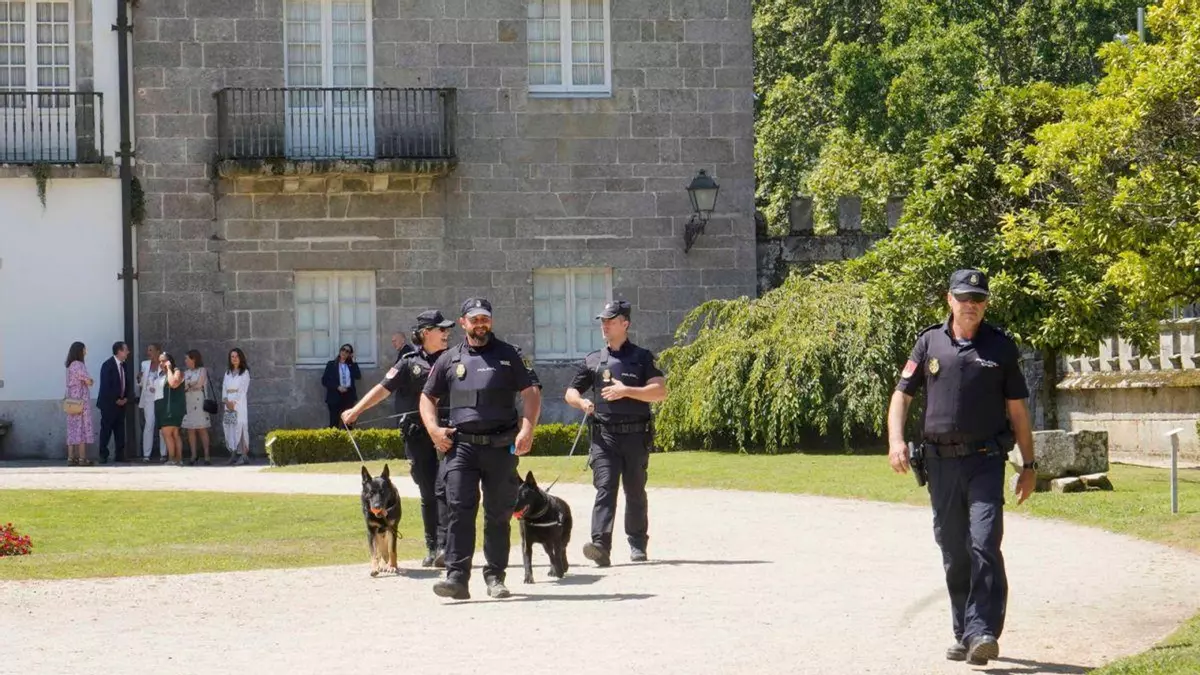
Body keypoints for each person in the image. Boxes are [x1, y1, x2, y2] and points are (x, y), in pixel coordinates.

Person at [887, 268, 1037, 667]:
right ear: (949, 299)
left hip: (985, 461)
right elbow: (902, 395)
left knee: (984, 542)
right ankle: (964, 632)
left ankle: (983, 631)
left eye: (979, 299)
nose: (971, 305)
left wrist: (1029, 465)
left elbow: (1018, 412)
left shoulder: (1001, 347)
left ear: (986, 304)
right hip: (940, 465)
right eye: (964, 298)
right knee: (954, 549)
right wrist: (896, 440)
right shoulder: (929, 342)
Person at [420, 297, 541, 600]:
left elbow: (530, 393)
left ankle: (495, 577)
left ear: (491, 321)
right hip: (461, 448)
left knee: (498, 513)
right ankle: (457, 579)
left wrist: (527, 429)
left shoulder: (509, 355)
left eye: (485, 318)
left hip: (500, 447)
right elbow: (427, 397)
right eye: (474, 319)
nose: (480, 324)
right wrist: (433, 430)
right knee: (459, 511)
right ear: (463, 323)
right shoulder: (449, 359)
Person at [343, 310, 456, 568]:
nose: (447, 333)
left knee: (448, 489)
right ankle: (432, 548)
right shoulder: (408, 363)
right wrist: (356, 410)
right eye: (441, 329)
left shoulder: (454, 358)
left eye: (448, 329)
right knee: (428, 491)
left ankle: (446, 547)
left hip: (447, 432)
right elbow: (383, 389)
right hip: (418, 435)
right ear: (425, 333)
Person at [564, 299, 667, 566]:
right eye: (603, 321)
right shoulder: (594, 360)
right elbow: (570, 392)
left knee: (635, 491)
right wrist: (582, 402)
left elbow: (660, 391)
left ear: (625, 323)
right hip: (604, 437)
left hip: (635, 436)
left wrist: (627, 391)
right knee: (605, 488)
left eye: (610, 321)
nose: (605, 325)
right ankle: (600, 546)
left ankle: (637, 543)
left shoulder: (642, 358)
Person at [96, 341, 131, 464]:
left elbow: (126, 383)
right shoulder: (108, 365)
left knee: (120, 430)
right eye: (126, 350)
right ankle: (103, 454)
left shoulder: (124, 365)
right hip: (109, 404)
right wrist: (115, 399)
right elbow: (106, 385)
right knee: (106, 429)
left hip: (122, 403)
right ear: (119, 351)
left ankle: (120, 454)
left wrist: (126, 398)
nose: (128, 352)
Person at [63, 341, 95, 466]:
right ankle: (82, 458)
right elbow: (88, 381)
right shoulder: (79, 364)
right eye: (84, 349)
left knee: (72, 428)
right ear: (80, 351)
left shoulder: (70, 365)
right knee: (82, 428)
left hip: (72, 400)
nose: (86, 351)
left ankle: (71, 457)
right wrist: (91, 380)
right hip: (81, 400)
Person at [181, 350, 212, 465]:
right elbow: (183, 387)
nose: (185, 361)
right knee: (190, 429)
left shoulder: (202, 370)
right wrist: (192, 385)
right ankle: (193, 455)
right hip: (188, 401)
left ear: (193, 359)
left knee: (202, 428)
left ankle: (207, 455)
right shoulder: (186, 373)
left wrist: (190, 385)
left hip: (199, 402)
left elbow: (200, 384)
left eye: (187, 358)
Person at [155, 352, 187, 466]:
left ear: (170, 361)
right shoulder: (161, 375)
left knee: (167, 433)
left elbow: (173, 383)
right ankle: (178, 459)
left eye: (163, 361)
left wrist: (169, 369)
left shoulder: (176, 371)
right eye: (159, 361)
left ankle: (172, 458)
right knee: (174, 433)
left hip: (171, 408)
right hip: (163, 407)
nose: (161, 363)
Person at [137, 343, 165, 462]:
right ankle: (146, 454)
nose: (148, 352)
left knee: (162, 425)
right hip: (148, 398)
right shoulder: (144, 364)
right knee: (149, 424)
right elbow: (141, 383)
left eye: (151, 350)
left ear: (158, 352)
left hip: (161, 397)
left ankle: (163, 453)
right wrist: (139, 378)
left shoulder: (164, 364)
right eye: (148, 350)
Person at [322, 343, 362, 428]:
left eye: (347, 351)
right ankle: (334, 436)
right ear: (340, 351)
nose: (344, 352)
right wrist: (337, 387)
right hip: (334, 396)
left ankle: (348, 436)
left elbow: (358, 376)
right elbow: (324, 381)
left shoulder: (351, 365)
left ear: (350, 354)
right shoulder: (331, 364)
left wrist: (354, 362)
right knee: (334, 422)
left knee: (348, 423)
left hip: (348, 396)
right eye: (343, 349)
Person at [223, 347, 251, 465]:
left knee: (240, 426)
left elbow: (243, 390)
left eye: (236, 356)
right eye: (232, 357)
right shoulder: (227, 373)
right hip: (228, 403)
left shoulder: (244, 373)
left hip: (239, 404)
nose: (234, 359)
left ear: (240, 358)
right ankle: (233, 454)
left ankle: (244, 455)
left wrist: (234, 403)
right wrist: (226, 401)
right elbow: (224, 387)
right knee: (230, 428)